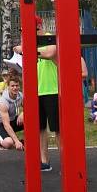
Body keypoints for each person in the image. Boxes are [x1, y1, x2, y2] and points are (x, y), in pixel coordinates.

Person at [14, 16, 59, 172]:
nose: (24, 34)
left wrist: (26, 49)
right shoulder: (29, 44)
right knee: (40, 129)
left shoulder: (49, 39)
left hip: (53, 90)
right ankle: (44, 161)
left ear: (38, 27)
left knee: (58, 129)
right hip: (35, 92)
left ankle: (67, 162)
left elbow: (50, 52)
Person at [0, 74, 24, 150]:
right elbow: (6, 124)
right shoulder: (3, 102)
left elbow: (28, 108)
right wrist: (16, 141)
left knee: (30, 118)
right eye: (12, 86)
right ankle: (1, 142)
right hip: (0, 124)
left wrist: (23, 113)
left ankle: (25, 141)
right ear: (8, 87)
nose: (15, 88)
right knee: (8, 143)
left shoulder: (20, 95)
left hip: (12, 120)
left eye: (17, 86)